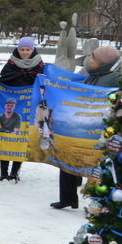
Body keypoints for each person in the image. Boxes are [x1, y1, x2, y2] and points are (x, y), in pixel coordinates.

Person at [52, 46, 122, 209]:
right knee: (68, 157)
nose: (90, 61)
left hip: (100, 130)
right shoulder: (92, 75)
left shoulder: (115, 78)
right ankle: (67, 198)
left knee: (99, 167)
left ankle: (98, 206)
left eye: (93, 58)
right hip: (81, 126)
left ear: (103, 61)